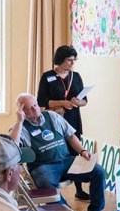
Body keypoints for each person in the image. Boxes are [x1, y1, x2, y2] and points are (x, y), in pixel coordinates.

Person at [11, 93, 107, 211]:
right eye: (30, 108)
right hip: (43, 166)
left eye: (36, 105)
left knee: (99, 171)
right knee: (45, 181)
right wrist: (19, 121)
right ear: (22, 111)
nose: (35, 109)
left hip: (66, 161)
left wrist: (83, 151)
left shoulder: (52, 116)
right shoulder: (20, 127)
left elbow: (71, 136)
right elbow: (12, 145)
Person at [37, 45, 91, 201]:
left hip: (73, 118)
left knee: (76, 151)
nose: (72, 63)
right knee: (58, 150)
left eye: (74, 60)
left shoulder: (76, 76)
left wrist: (77, 102)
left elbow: (85, 101)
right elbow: (42, 101)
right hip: (54, 119)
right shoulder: (48, 76)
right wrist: (63, 103)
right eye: (69, 60)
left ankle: (79, 189)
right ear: (60, 60)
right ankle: (55, 186)